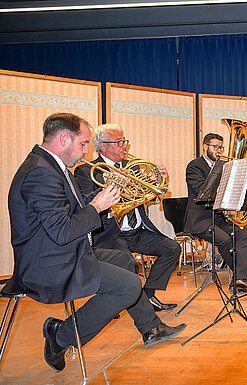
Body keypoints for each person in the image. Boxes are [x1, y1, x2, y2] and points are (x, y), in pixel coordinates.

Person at [7, 113, 186, 371]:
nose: (85, 150)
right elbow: (61, 231)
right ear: (64, 138)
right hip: (49, 265)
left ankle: (150, 327)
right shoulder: (41, 173)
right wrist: (96, 207)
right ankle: (60, 335)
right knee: (128, 286)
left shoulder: (50, 166)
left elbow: (72, 208)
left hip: (66, 252)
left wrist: (105, 194)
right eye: (83, 144)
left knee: (123, 259)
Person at [74, 124, 180, 312]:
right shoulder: (87, 171)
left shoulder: (135, 167)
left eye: (125, 141)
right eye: (119, 142)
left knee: (172, 248)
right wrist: (113, 185)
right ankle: (117, 302)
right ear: (103, 146)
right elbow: (86, 205)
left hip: (137, 230)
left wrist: (158, 181)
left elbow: (152, 198)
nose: (124, 146)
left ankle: (147, 296)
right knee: (127, 262)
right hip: (111, 233)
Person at [183, 133, 247, 294]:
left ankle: (240, 278)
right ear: (205, 146)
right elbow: (201, 191)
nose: (218, 150)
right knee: (224, 240)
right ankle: (242, 277)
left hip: (217, 218)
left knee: (244, 237)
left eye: (220, 147)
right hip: (199, 220)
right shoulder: (194, 166)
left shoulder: (224, 166)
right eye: (215, 147)